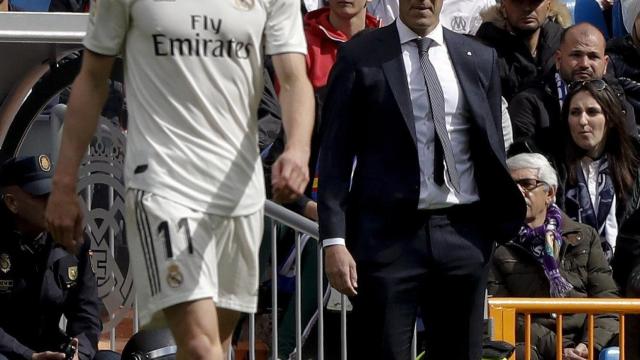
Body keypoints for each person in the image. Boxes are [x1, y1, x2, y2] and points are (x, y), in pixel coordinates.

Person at [44, 0, 315, 359]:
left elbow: (295, 78)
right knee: (201, 345)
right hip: (162, 183)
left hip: (239, 192)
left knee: (216, 343)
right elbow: (92, 79)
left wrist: (297, 149)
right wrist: (63, 183)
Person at [317, 0, 526, 357]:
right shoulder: (359, 56)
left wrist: (488, 232)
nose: (422, 1)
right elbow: (335, 156)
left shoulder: (478, 57)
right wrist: (334, 240)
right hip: (386, 240)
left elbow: (492, 151)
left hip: (464, 235)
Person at [490, 152, 619, 360]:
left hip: (585, 347)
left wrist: (588, 345)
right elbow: (505, 314)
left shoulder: (584, 236)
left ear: (550, 193)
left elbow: (607, 301)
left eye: (526, 184)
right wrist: (559, 349)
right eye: (510, 185)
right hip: (534, 347)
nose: (517, 191)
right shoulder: (496, 244)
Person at [0, 155, 103, 360]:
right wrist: (29, 356)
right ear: (12, 203)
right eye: (42, 196)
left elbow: (87, 313)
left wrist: (78, 353)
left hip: (51, 348)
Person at [508, 22, 637, 157]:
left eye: (593, 57)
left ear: (605, 65)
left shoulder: (619, 102)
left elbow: (631, 160)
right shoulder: (528, 103)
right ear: (558, 59)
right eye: (576, 55)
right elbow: (526, 165)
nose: (584, 64)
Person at [555, 79, 640, 263]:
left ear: (609, 119)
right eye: (575, 113)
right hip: (568, 275)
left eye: (592, 112)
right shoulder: (553, 167)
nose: (582, 121)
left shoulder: (633, 167)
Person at [476, 0, 570, 101]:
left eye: (534, 2)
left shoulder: (566, 44)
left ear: (548, 5)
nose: (527, 8)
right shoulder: (484, 49)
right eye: (518, 2)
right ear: (503, 6)